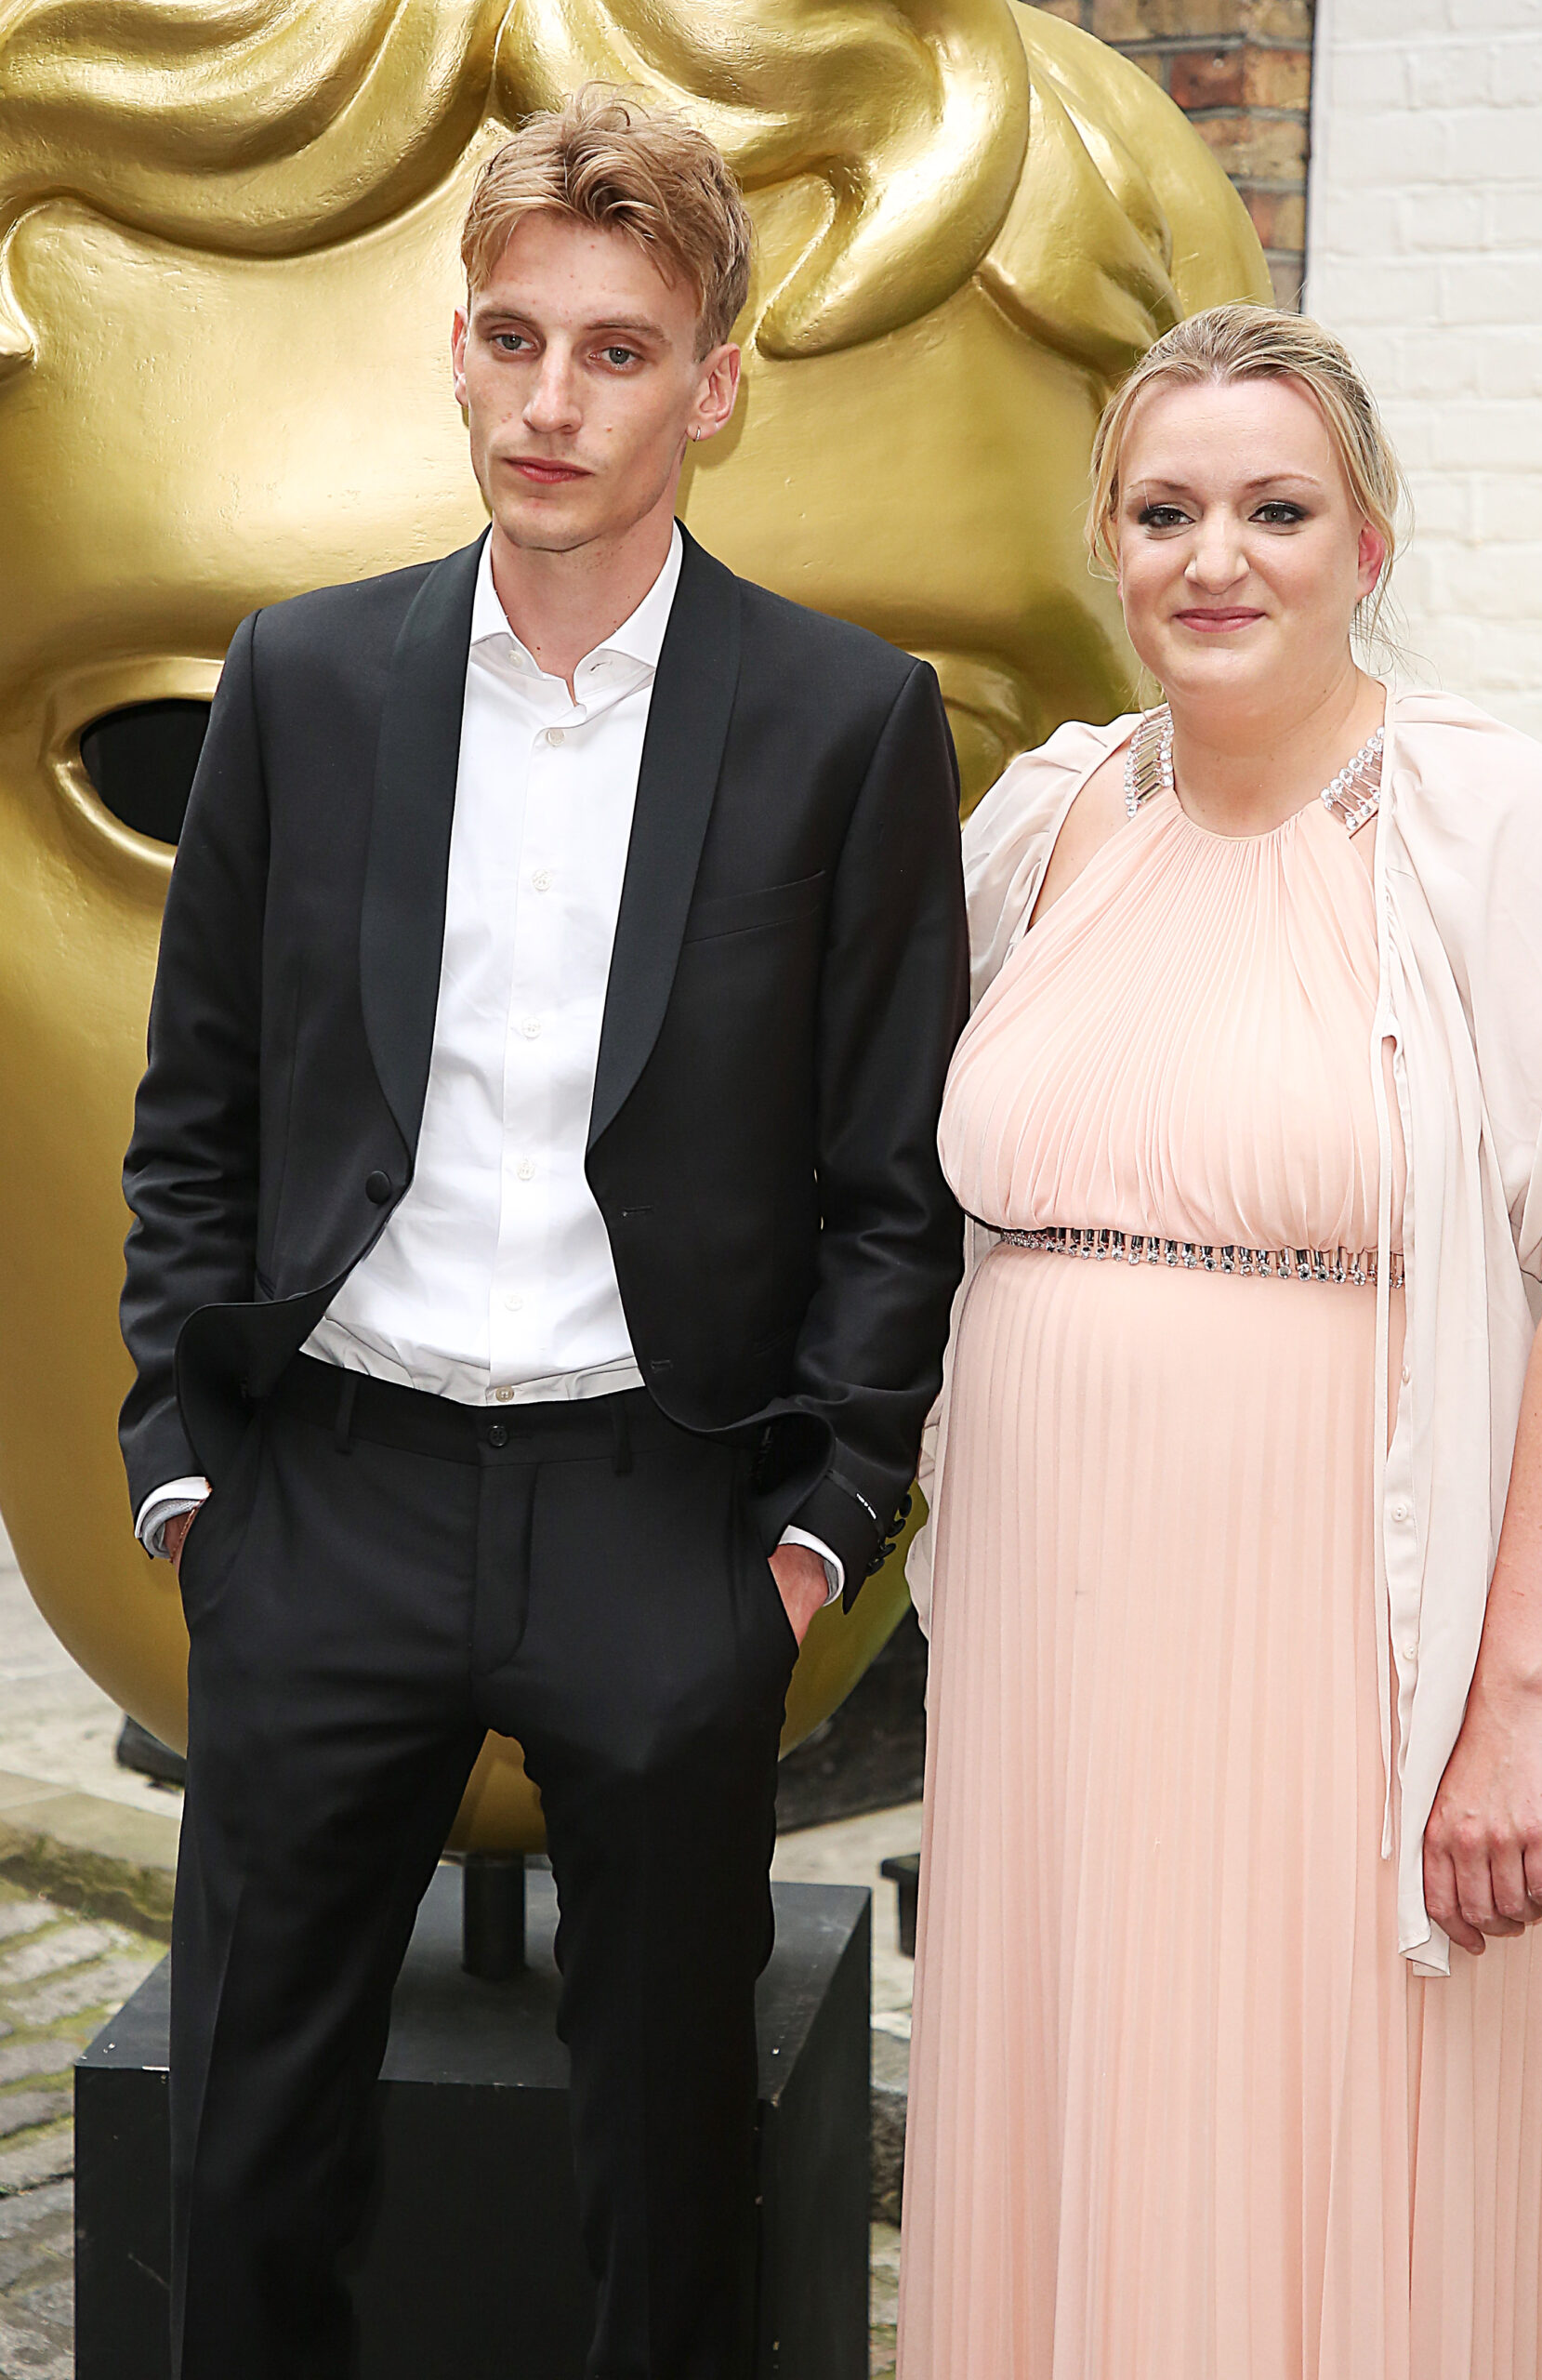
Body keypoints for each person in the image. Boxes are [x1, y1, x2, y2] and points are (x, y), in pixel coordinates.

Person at [117, 86, 967, 2380]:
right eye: (511, 336)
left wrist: (810, 1530)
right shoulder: (302, 674)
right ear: (459, 352)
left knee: (670, 2171)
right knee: (245, 2150)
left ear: (710, 385)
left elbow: (893, 1184)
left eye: (614, 348)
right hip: (334, 1499)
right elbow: (198, 1102)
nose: (549, 396)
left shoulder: (842, 723)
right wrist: (190, 1471)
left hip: (657, 1509)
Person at [897, 304, 1542, 2380]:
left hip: (1346, 1671)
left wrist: (1510, 1708)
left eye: (1272, 507)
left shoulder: (1486, 827)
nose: (1212, 556)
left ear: (1367, 544)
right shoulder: (1044, 825)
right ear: (1107, 549)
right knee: (1087, 2125)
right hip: (1053, 1667)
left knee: (1320, 2153)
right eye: (1163, 510)